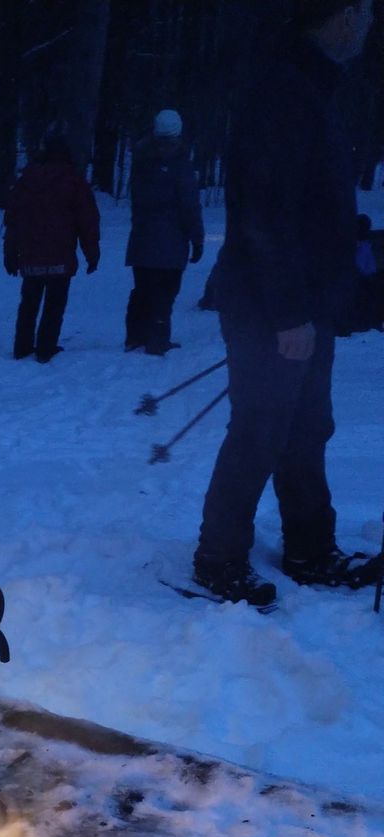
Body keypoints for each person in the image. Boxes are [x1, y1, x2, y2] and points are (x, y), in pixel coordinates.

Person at [192, 0, 379, 606]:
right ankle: (218, 558)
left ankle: (310, 546)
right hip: (270, 302)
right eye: (367, 12)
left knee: (306, 428)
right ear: (342, 17)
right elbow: (264, 213)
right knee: (261, 429)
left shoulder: (311, 88)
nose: (371, 24)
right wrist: (289, 311)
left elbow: (311, 207)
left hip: (304, 302)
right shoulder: (283, 91)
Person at [2, 131, 100, 363]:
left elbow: (13, 220)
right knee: (54, 305)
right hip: (60, 256)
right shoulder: (73, 181)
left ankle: (22, 346)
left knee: (29, 302)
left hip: (31, 256)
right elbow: (87, 222)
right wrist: (92, 254)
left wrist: (10, 253)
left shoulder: (27, 180)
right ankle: (45, 347)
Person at [124, 110, 204, 355]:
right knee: (165, 292)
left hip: (143, 237)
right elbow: (189, 205)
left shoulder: (141, 160)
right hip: (170, 241)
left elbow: (137, 198)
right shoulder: (181, 165)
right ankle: (157, 339)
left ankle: (135, 336)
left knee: (143, 289)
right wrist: (197, 238)